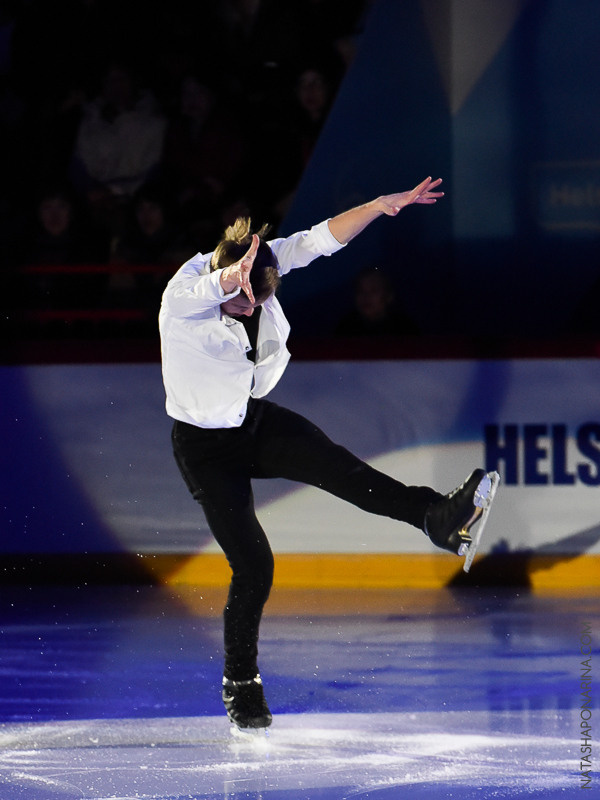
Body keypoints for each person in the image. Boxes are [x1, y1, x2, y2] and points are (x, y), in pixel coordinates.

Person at [159, 176, 498, 731]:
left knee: (343, 471)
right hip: (201, 447)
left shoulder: (261, 264)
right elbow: (207, 289)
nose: (251, 308)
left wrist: (377, 206)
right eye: (245, 297)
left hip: (251, 422)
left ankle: (437, 518)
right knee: (254, 566)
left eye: (260, 299)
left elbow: (317, 241)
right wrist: (230, 279)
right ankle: (240, 682)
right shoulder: (185, 294)